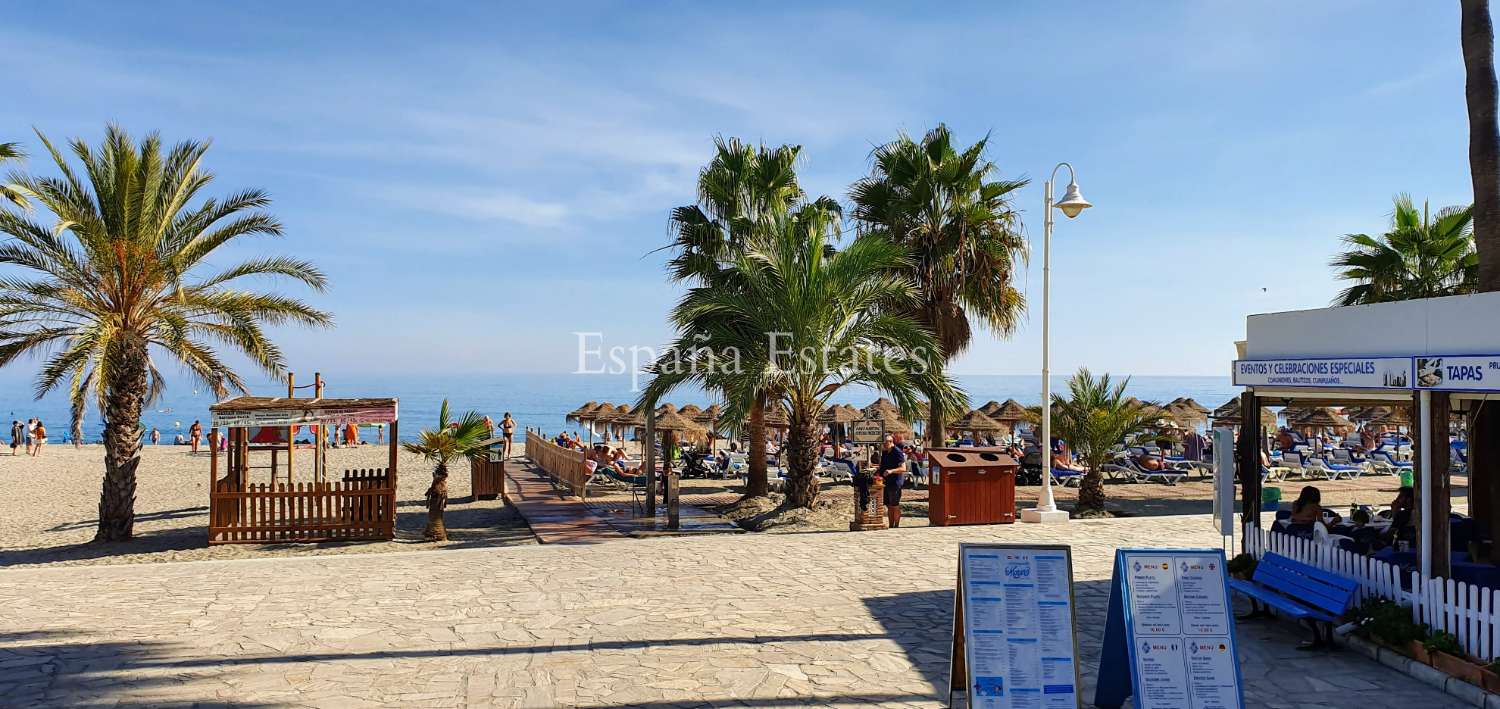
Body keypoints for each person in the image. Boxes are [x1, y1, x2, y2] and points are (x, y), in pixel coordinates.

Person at [878, 435, 908, 528]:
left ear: (891, 442)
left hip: (895, 482)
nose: (883, 445)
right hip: (886, 481)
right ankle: (891, 525)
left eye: (885, 443)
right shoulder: (885, 453)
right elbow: (882, 466)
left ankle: (896, 525)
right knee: (888, 505)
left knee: (895, 504)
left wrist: (891, 471)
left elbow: (903, 468)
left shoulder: (897, 452)